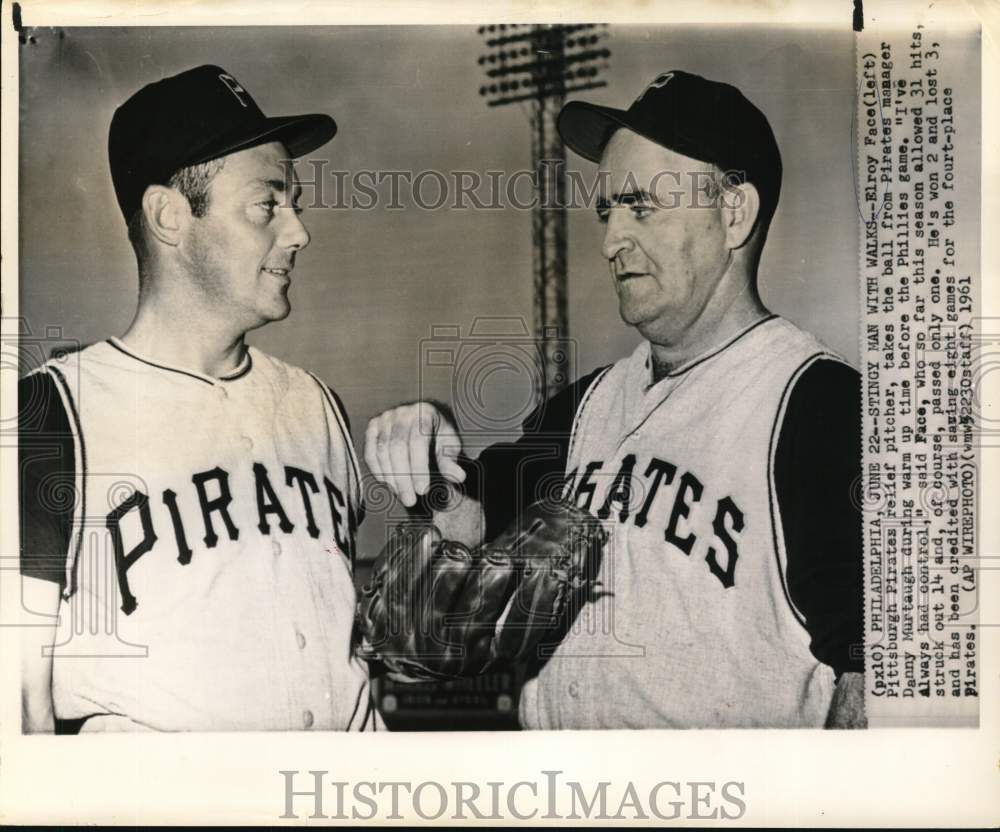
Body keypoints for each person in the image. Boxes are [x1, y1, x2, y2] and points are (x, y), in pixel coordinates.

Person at [364, 70, 865, 729]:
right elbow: (472, 525)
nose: (610, 240)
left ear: (733, 213)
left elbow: (879, 673)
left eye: (641, 206)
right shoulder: (586, 407)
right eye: (607, 211)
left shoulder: (817, 407)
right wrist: (432, 466)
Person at [19, 65, 379, 732]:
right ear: (169, 217)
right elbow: (18, 706)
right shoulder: (48, 417)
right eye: (267, 204)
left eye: (292, 204)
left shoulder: (317, 407)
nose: (298, 232)